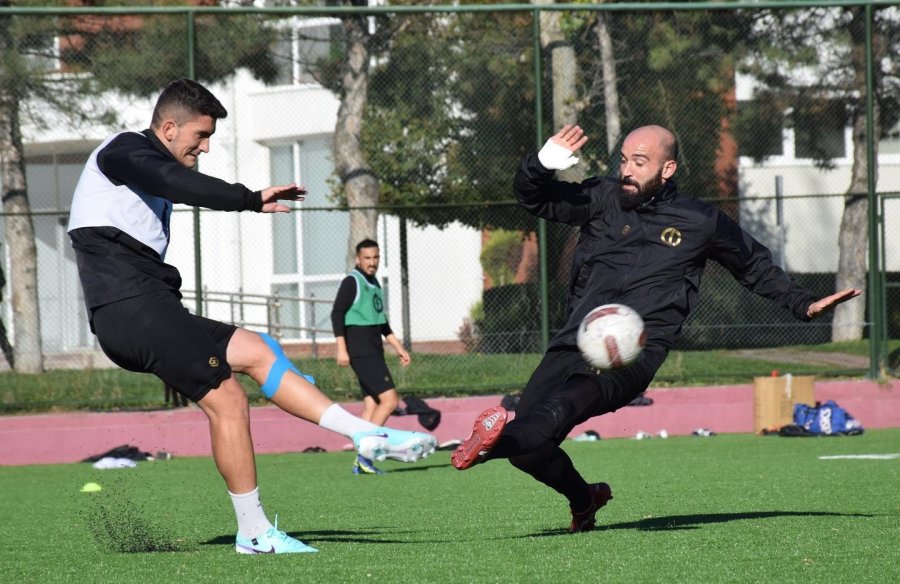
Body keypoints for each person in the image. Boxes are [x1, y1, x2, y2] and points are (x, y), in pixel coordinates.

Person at [67, 79, 436, 554]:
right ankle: (255, 533)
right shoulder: (122, 151)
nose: (205, 148)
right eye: (200, 136)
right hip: (130, 311)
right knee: (229, 401)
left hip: (150, 307)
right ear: (169, 127)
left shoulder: (148, 166)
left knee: (259, 349)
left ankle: (365, 434)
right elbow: (173, 181)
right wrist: (248, 197)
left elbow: (172, 183)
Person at [451, 124, 861, 533]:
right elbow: (534, 198)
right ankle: (583, 499)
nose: (627, 169)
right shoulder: (602, 198)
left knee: (558, 411)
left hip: (633, 353)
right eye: (624, 160)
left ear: (667, 169)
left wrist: (803, 302)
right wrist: (543, 163)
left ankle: (487, 445)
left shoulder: (699, 221)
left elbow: (753, 266)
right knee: (528, 449)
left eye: (640, 162)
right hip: (576, 339)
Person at [331, 239, 411, 475]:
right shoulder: (352, 281)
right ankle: (365, 456)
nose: (372, 262)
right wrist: (341, 348)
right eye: (367, 258)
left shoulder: (374, 283)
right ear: (358, 259)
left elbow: (381, 321)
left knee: (372, 405)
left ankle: (362, 462)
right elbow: (337, 313)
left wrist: (398, 346)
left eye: (375, 257)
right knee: (390, 401)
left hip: (374, 350)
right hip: (361, 350)